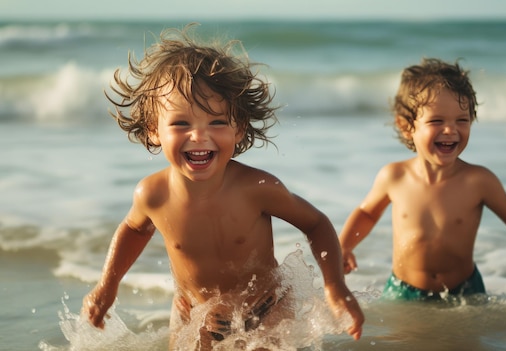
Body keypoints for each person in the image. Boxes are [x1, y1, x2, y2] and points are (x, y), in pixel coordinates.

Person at [81, 25, 363, 349]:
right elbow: (134, 229)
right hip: (193, 313)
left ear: (239, 129)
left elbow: (315, 222)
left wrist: (335, 286)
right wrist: (107, 286)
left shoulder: (257, 188)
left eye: (217, 122)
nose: (199, 136)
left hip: (266, 307)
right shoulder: (152, 195)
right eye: (181, 123)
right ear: (153, 129)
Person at [339, 58, 506, 303]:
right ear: (407, 126)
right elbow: (367, 213)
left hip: (465, 292)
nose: (450, 129)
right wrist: (345, 246)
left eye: (461, 120)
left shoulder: (478, 181)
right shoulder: (394, 176)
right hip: (404, 291)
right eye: (437, 120)